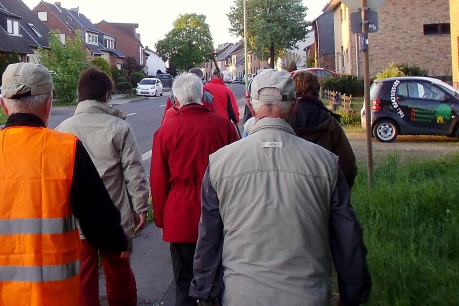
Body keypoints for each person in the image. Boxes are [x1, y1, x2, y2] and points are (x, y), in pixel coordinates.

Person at [0, 62, 131, 306]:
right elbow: (100, 223)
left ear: (3, 104)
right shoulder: (67, 150)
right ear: (49, 104)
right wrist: (118, 242)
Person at [191, 69, 371, 306]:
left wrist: (205, 293)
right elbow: (347, 237)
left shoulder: (219, 164)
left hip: (241, 296)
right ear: (295, 106)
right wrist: (352, 295)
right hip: (309, 295)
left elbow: (209, 239)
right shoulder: (326, 163)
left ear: (251, 106)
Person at [56, 67, 149, 306]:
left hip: (77, 222)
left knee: (83, 279)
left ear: (80, 94)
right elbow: (134, 171)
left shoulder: (62, 131)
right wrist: (141, 207)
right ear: (107, 95)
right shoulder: (119, 128)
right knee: (119, 276)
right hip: (114, 218)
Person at [150, 73, 239, 306]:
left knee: (184, 283)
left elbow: (158, 182)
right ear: (202, 95)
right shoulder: (224, 128)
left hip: (180, 216)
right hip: (219, 215)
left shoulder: (165, 133)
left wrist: (161, 220)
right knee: (218, 279)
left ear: (176, 99)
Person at [291, 70, 358, 188]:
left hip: (291, 191)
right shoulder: (330, 121)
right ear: (317, 90)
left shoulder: (285, 120)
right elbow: (347, 164)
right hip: (324, 191)